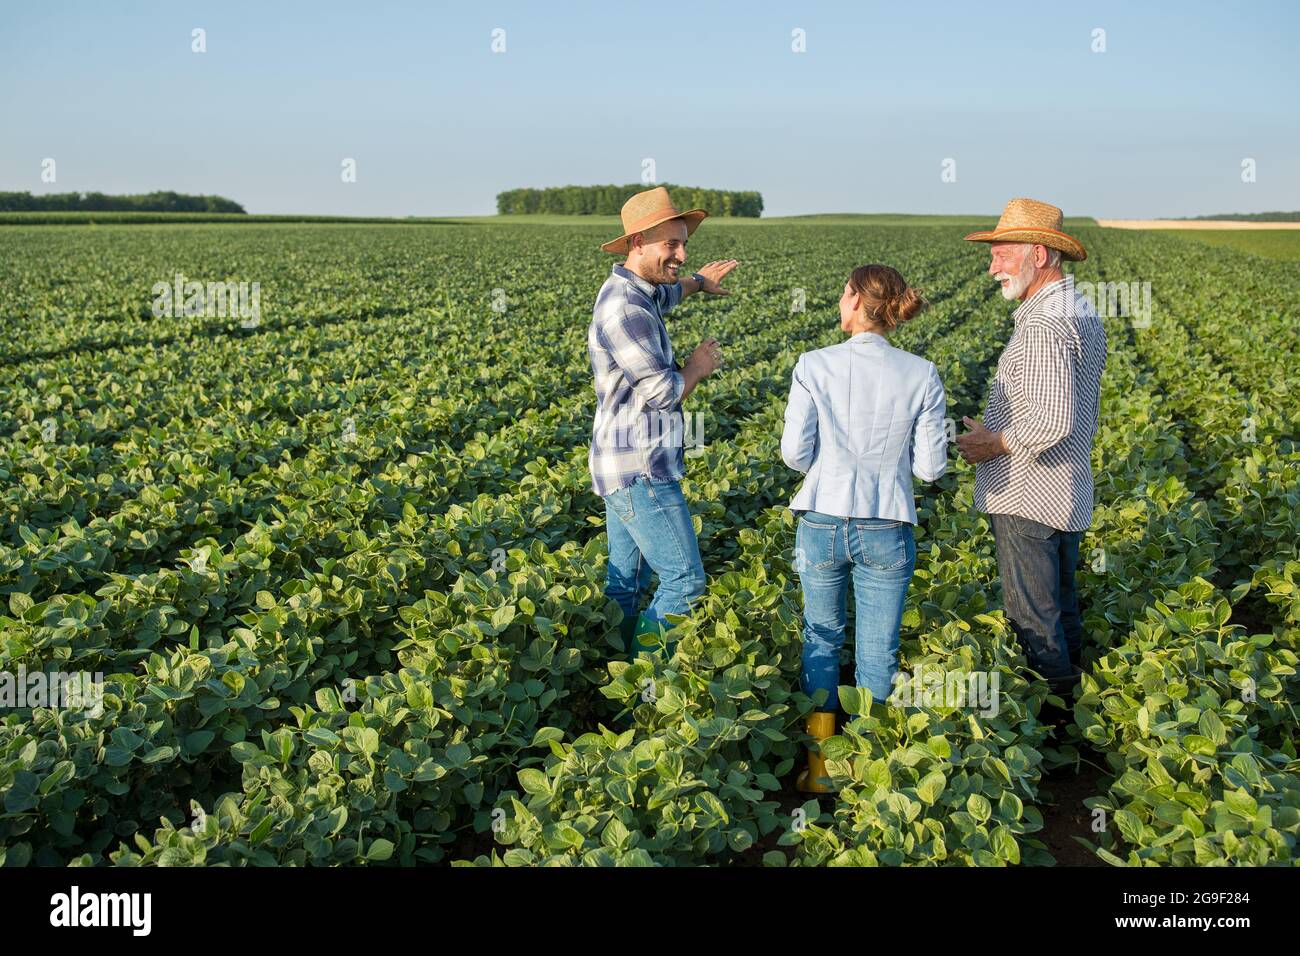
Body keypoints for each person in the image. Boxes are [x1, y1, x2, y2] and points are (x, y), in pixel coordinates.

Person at [781, 264, 948, 792]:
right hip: (887, 521)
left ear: (854, 300)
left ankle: (820, 770)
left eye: (842, 293)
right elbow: (930, 469)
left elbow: (793, 455)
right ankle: (872, 775)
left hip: (823, 517)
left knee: (822, 640)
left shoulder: (813, 364)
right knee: (879, 651)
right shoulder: (922, 373)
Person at [956, 198, 1107, 713]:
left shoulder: (1044, 325)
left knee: (1033, 622)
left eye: (1001, 254)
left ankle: (1051, 733)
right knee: (1062, 612)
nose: (993, 266)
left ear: (1038, 255)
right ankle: (1078, 715)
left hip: (1029, 495)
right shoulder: (1079, 309)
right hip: (1066, 491)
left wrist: (993, 442)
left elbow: (1050, 421)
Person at [588, 186, 739, 658]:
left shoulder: (640, 293)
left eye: (684, 242)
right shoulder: (626, 308)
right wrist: (695, 366)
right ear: (636, 242)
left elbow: (668, 295)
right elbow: (662, 393)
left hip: (623, 465)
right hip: (641, 469)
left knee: (626, 585)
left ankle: (609, 685)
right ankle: (642, 685)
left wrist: (696, 282)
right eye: (670, 244)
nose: (681, 252)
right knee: (685, 583)